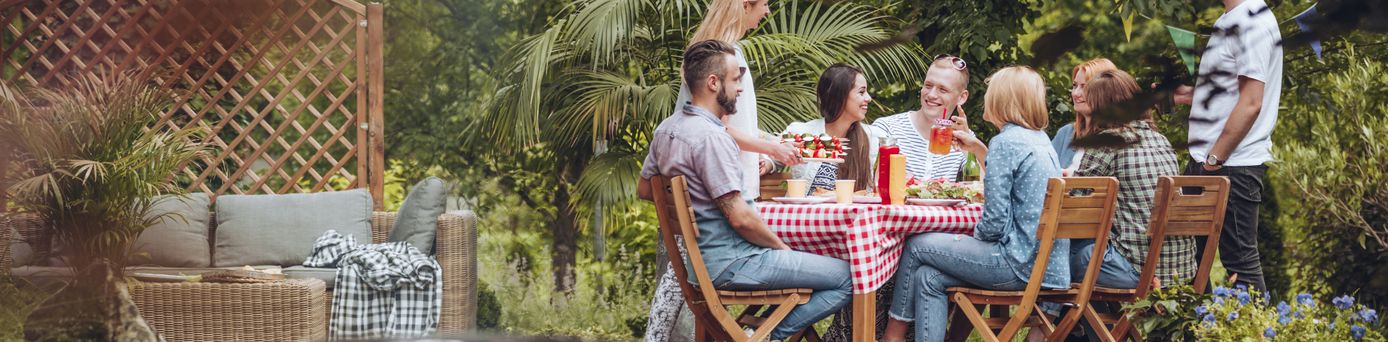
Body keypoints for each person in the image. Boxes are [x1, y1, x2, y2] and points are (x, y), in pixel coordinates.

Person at [637, 40, 854, 342]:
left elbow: (646, 189)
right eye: (736, 79)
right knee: (850, 276)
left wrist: (693, 210)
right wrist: (782, 249)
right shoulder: (713, 138)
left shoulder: (666, 130)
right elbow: (740, 219)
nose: (740, 88)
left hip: (699, 266)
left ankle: (757, 333)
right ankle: (766, 337)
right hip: (734, 263)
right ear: (714, 83)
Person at [645, 1, 799, 340]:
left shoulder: (708, 50)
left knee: (680, 282)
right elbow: (715, 129)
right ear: (745, 4)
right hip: (721, 187)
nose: (768, 12)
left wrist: (768, 143)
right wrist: (771, 148)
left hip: (704, 184)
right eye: (764, 4)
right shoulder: (727, 56)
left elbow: (724, 124)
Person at [881, 66, 1064, 342]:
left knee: (918, 244)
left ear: (1002, 100)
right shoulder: (1040, 140)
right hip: (1047, 268)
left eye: (991, 93)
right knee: (928, 277)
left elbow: (993, 224)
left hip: (1017, 265)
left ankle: (893, 334)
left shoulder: (1005, 143)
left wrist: (965, 241)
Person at [1172, 0, 1283, 292]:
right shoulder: (1231, 19)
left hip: (1231, 165)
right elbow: (1232, 91)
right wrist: (1189, 95)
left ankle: (1254, 335)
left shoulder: (1251, 21)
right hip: (1209, 161)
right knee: (1185, 260)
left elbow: (1251, 102)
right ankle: (1196, 333)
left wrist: (1214, 159)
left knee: (1240, 265)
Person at [1072, 69, 1198, 291]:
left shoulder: (1106, 142)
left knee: (1067, 257)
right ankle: (1104, 325)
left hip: (1137, 269)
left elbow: (1075, 203)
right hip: (1181, 269)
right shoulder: (1160, 139)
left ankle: (1055, 324)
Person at [781, 64, 888, 192]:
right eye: (861, 92)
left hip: (853, 211)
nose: (869, 98)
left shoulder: (875, 137)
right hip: (807, 211)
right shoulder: (801, 132)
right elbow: (774, 153)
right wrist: (767, 164)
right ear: (840, 96)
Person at [872, 55, 973, 181]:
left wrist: (969, 149)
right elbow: (867, 181)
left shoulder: (964, 136)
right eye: (928, 86)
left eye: (943, 89)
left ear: (962, 97)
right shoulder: (887, 128)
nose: (931, 95)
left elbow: (984, 188)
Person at [1051, 58, 1120, 173]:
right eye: (1074, 85)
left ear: (1106, 92)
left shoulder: (1119, 138)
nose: (1076, 93)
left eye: (1085, 87)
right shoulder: (1065, 133)